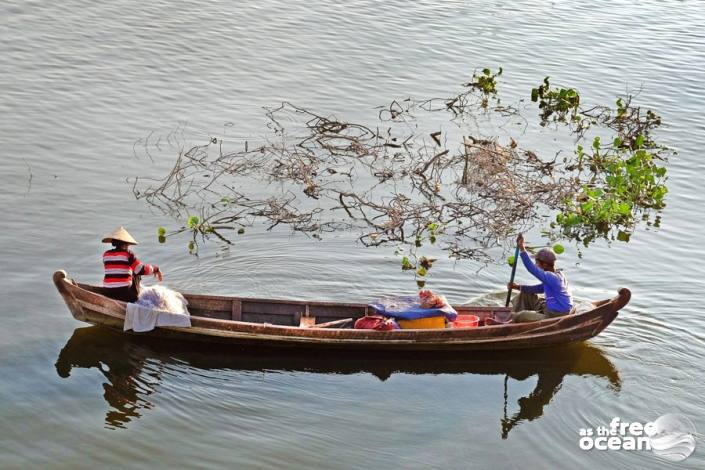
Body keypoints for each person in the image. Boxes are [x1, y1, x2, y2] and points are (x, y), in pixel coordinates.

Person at [506, 234, 573, 322]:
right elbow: (540, 288)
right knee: (526, 293)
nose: (535, 265)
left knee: (522, 315)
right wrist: (518, 287)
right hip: (552, 308)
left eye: (537, 263)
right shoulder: (557, 274)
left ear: (544, 264)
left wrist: (522, 248)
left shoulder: (551, 277)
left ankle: (508, 322)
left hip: (555, 315)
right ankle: (513, 316)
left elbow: (531, 269)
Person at [101, 226, 162, 303]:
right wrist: (155, 269)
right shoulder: (128, 254)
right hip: (125, 293)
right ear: (124, 245)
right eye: (127, 244)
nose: (128, 246)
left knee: (129, 268)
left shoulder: (106, 254)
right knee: (136, 271)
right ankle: (136, 297)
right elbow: (141, 270)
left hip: (108, 291)